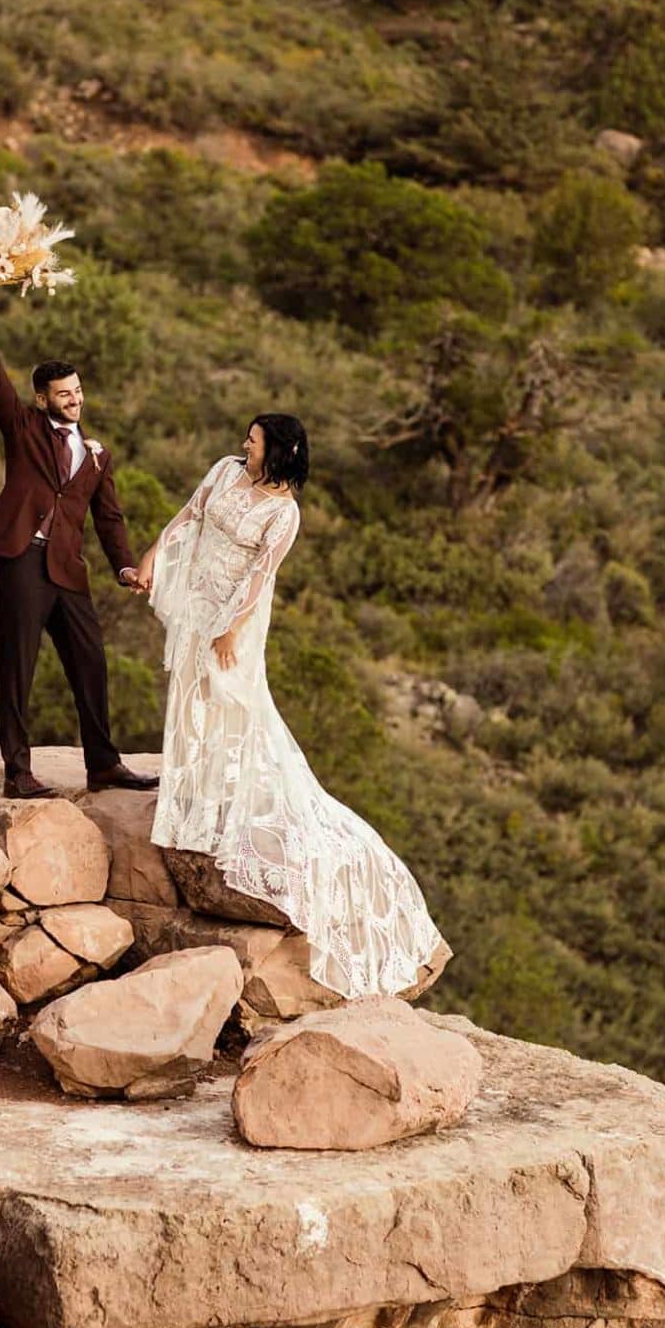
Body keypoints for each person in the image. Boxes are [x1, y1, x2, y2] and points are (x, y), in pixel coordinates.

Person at [134, 415, 446, 998]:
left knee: (232, 701)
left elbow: (259, 576)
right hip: (199, 600)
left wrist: (230, 628)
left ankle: (224, 794)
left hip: (236, 616)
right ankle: (193, 788)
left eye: (253, 439)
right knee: (190, 694)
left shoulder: (285, 514)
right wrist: (154, 558)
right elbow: (190, 515)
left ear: (276, 451)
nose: (243, 444)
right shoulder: (226, 472)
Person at [0, 291, 158, 799]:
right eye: (64, 394)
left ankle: (104, 764)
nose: (75, 399)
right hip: (23, 559)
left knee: (91, 662)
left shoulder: (98, 455)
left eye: (77, 391)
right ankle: (17, 773)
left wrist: (123, 568)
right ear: (42, 398)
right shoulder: (22, 426)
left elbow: (109, 518)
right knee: (18, 666)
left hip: (67, 569)